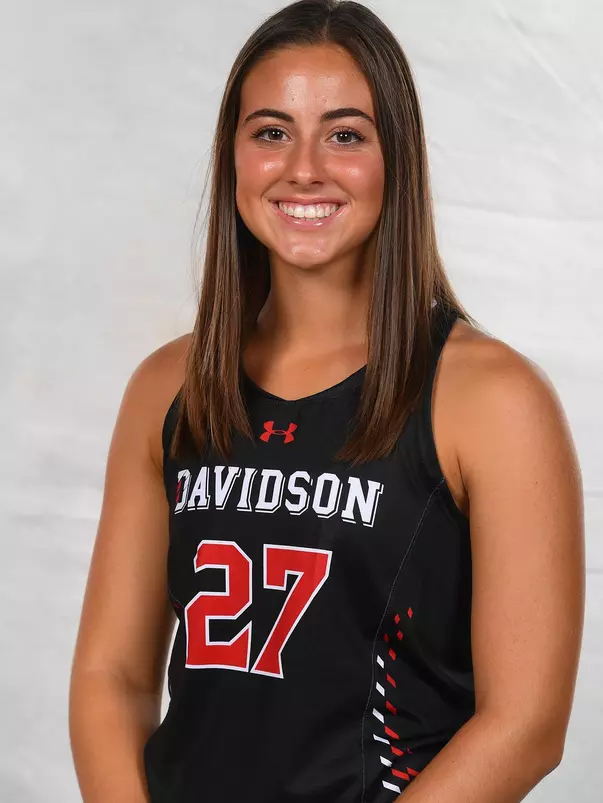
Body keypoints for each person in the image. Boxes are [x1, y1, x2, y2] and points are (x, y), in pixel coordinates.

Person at [68, 1, 585, 801]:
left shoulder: (491, 398)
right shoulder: (167, 388)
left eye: (345, 134)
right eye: (270, 131)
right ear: (232, 156)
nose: (302, 167)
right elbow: (113, 674)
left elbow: (525, 726)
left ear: (396, 158)